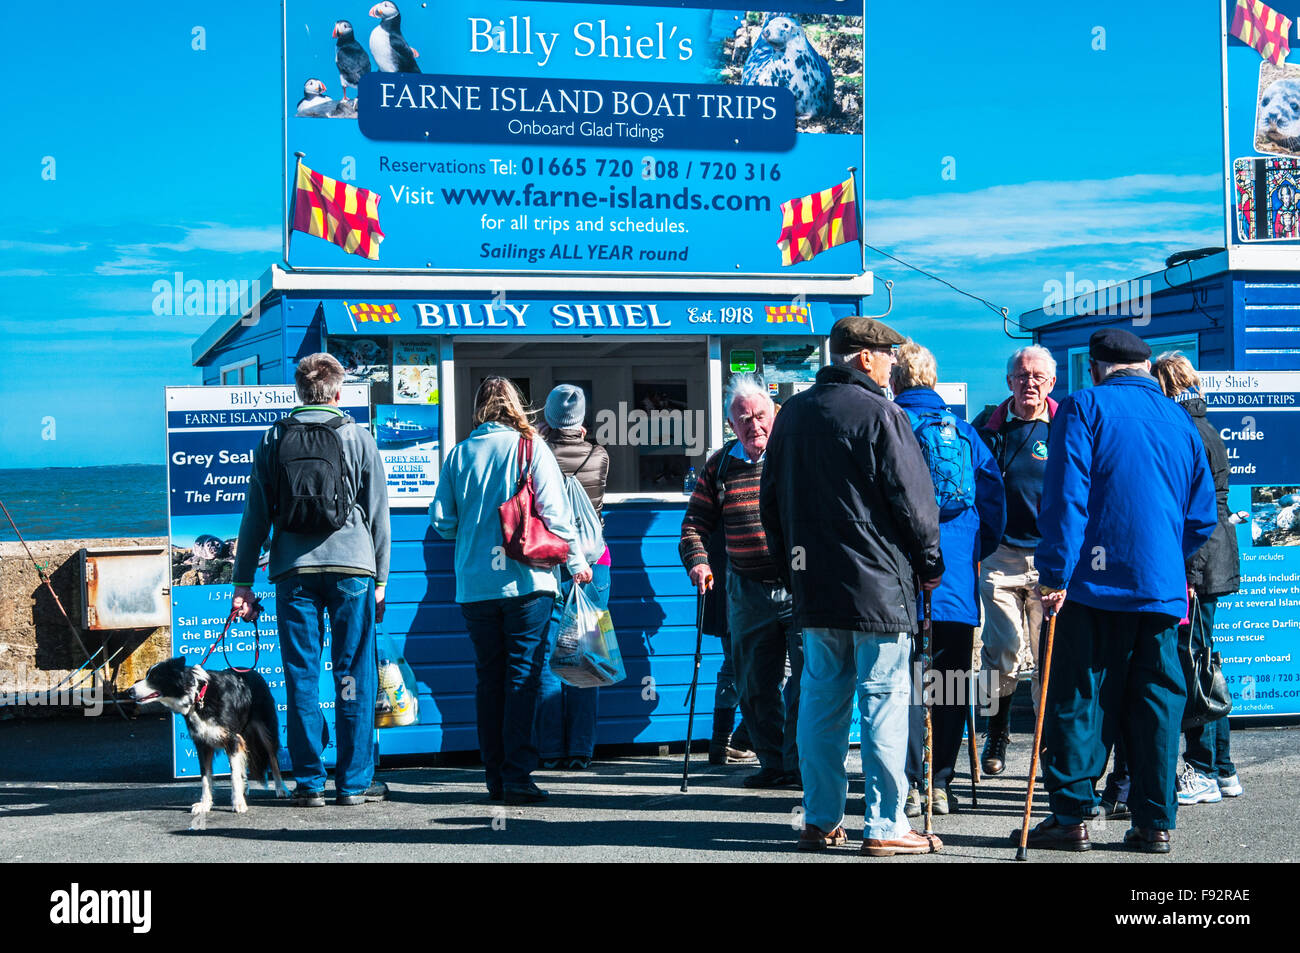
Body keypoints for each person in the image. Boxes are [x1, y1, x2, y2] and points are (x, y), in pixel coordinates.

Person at [1023, 329, 1217, 854]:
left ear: (1095, 368)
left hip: (1093, 585)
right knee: (1155, 702)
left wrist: (1055, 574)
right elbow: (1202, 516)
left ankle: (1071, 816)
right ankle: (1154, 822)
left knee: (1081, 698)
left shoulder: (1084, 407)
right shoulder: (1180, 420)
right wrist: (1164, 560)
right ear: (1147, 368)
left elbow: (1066, 499)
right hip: (1159, 588)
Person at [760, 316, 945, 855]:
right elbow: (915, 503)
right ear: (864, 357)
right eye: (886, 354)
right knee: (884, 701)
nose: (891, 364)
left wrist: (788, 568)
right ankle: (886, 826)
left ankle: (819, 819)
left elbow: (768, 505)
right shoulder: (882, 413)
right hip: (880, 588)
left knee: (820, 702)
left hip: (814, 588)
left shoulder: (791, 415)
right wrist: (930, 563)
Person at [231, 352, 391, 807]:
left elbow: (255, 516)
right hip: (353, 570)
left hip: (293, 572)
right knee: (351, 674)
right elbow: (379, 512)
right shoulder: (358, 436)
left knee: (301, 675)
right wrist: (381, 578)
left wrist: (243, 582)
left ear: (299, 391)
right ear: (339, 391)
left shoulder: (273, 437)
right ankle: (355, 784)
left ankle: (310, 783)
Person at [431, 376, 591, 805]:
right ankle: (518, 775)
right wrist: (576, 563)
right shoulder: (530, 446)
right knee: (523, 676)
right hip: (526, 582)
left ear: (480, 406)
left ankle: (494, 776)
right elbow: (556, 516)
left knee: (489, 679)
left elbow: (442, 522)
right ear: (516, 405)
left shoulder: (459, 453)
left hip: (476, 585)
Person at [892, 342, 1005, 817]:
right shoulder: (962, 432)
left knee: (904, 684)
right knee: (951, 681)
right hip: (956, 578)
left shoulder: (891, 425)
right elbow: (995, 499)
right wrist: (972, 552)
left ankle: (911, 783)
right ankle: (942, 782)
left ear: (895, 382)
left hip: (901, 580)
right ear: (934, 381)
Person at [679, 374, 802, 787]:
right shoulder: (720, 465)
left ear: (775, 415)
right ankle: (774, 764)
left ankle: (801, 764)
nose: (755, 426)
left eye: (761, 416)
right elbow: (694, 525)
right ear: (732, 424)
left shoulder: (792, 457)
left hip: (798, 586)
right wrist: (698, 562)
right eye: (744, 418)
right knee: (754, 682)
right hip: (745, 590)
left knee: (808, 678)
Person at [1152, 352, 1244, 805]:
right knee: (1206, 662)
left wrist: (1186, 573)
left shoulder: (1184, 431)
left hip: (1198, 566)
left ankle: (1204, 768)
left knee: (1194, 665)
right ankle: (1222, 769)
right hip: (1213, 561)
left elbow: (1197, 513)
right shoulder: (1207, 428)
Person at [970, 344, 1059, 776]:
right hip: (1000, 556)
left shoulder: (1064, 426)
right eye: (1022, 376)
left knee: (1048, 658)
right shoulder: (986, 429)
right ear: (1009, 382)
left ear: (1051, 383)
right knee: (1000, 649)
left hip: (1049, 559)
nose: (1030, 383)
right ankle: (997, 729)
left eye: (1038, 377)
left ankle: (1048, 745)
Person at [534, 384, 611, 771]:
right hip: (596, 564)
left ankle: (549, 750)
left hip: (551, 562)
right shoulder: (599, 455)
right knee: (586, 654)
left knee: (550, 655)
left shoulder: (535, 453)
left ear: (547, 416)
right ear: (581, 420)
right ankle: (580, 751)